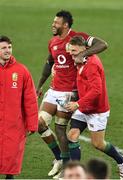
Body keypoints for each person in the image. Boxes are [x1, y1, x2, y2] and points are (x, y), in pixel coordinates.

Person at [36, 10, 108, 177]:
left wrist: (83, 53)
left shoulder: (78, 37)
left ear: (65, 25)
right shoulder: (53, 41)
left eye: (56, 23)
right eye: (53, 22)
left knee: (60, 128)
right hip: (54, 90)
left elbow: (102, 44)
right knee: (39, 123)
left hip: (69, 92)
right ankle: (59, 159)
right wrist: (39, 85)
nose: (53, 25)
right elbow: (49, 63)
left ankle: (68, 167)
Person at [65, 36, 123, 180]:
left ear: (83, 49)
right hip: (84, 107)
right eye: (71, 51)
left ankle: (122, 160)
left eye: (74, 51)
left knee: (98, 144)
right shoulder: (80, 60)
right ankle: (75, 174)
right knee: (72, 136)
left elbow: (96, 91)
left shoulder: (92, 64)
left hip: (97, 110)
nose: (71, 54)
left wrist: (77, 104)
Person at [0, 36, 38, 179]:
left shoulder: (21, 71)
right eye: (3, 48)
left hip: (14, 124)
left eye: (9, 47)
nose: (7, 50)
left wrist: (32, 124)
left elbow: (30, 100)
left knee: (12, 158)